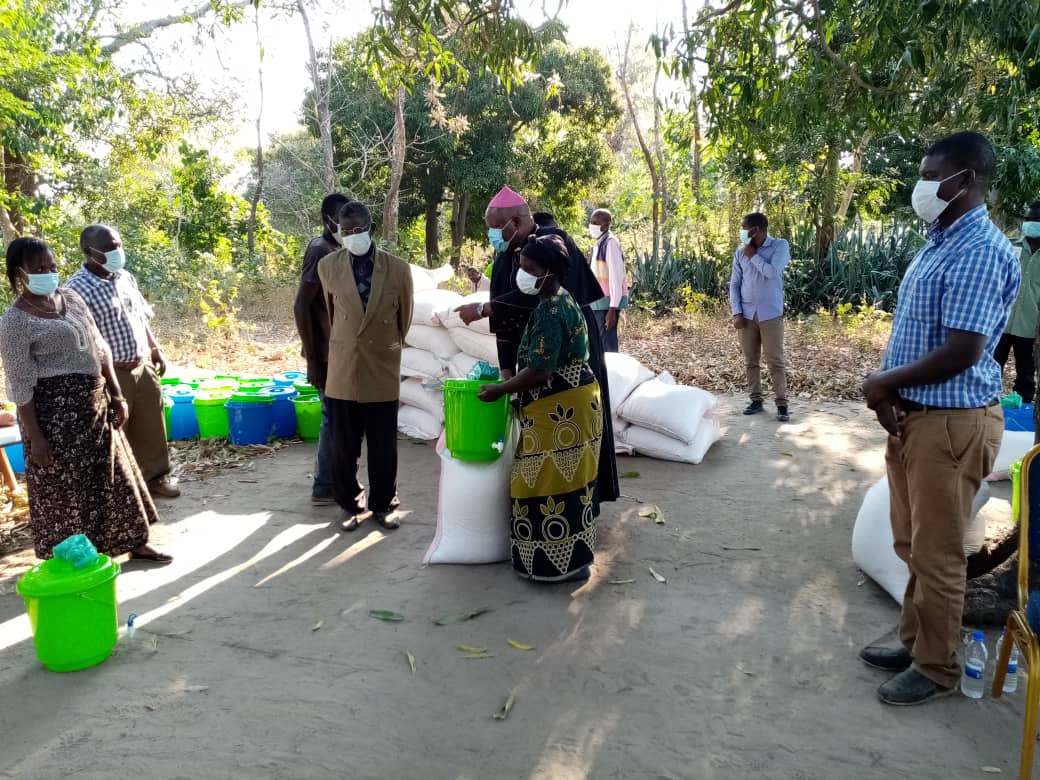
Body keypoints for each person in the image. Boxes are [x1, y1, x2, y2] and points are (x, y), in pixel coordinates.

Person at [860, 131, 1019, 706]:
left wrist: (884, 383)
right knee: (911, 544)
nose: (922, 185)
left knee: (938, 552)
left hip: (951, 424)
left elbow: (964, 349)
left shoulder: (979, 249)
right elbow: (914, 332)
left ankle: (938, 667)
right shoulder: (940, 241)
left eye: (932, 175)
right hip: (917, 418)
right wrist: (888, 393)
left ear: (966, 180)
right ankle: (916, 642)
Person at [0, 237, 171, 564]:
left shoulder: (71, 298)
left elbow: (99, 345)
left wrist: (115, 394)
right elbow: (20, 382)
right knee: (69, 491)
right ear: (19, 274)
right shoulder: (15, 321)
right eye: (38, 269)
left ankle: (136, 542)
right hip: (53, 418)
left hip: (94, 404)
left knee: (115, 475)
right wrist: (36, 438)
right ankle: (82, 559)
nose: (47, 274)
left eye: (51, 267)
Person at [455, 187, 620, 511]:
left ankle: (583, 506)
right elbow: (508, 321)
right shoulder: (508, 255)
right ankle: (552, 509)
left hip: (564, 364)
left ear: (515, 221)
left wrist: (487, 309)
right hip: (532, 363)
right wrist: (506, 371)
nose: (492, 236)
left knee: (573, 444)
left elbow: (528, 301)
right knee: (543, 447)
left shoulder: (553, 245)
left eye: (495, 227)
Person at [477, 235, 602, 582]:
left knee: (543, 482)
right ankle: (572, 560)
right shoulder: (561, 299)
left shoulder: (550, 311)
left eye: (530, 269)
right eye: (521, 267)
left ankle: (555, 565)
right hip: (572, 404)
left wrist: (501, 390)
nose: (522, 274)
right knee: (569, 479)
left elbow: (540, 371)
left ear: (551, 272)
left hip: (560, 408)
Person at [317, 201, 413, 532]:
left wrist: (385, 346)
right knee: (343, 446)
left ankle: (384, 504)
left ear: (370, 228)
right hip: (343, 367)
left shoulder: (398, 269)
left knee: (383, 445)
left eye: (359, 230)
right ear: (338, 232)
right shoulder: (327, 266)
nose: (353, 236)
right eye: (347, 232)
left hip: (381, 365)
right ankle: (349, 505)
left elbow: (405, 319)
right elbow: (332, 314)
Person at [65, 224, 180, 498]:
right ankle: (120, 492)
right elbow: (82, 341)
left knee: (152, 425)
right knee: (115, 431)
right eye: (109, 248)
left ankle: (156, 478)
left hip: (142, 364)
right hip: (112, 373)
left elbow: (140, 316)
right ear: (89, 251)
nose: (117, 251)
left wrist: (154, 348)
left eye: (118, 245)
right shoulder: (75, 289)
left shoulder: (125, 276)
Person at [294, 192, 350, 506]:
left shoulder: (339, 249)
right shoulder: (320, 250)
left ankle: (331, 481)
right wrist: (312, 359)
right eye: (341, 220)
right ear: (328, 220)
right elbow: (302, 305)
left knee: (340, 418)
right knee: (332, 417)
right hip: (326, 355)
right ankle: (324, 485)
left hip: (341, 351)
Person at [729, 212, 792, 422]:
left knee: (775, 360)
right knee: (750, 360)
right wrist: (736, 311)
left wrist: (753, 256)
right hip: (747, 315)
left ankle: (781, 403)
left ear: (755, 230)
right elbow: (735, 284)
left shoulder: (779, 246)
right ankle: (755, 399)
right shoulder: (740, 253)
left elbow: (772, 272)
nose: (742, 232)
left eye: (744, 228)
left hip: (771, 313)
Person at [994, 200, 1040, 403]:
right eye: (1028, 219)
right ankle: (986, 404)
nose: (1030, 223)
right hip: (1000, 321)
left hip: (1030, 325)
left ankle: (1024, 409)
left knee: (1026, 372)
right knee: (991, 365)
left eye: (1036, 220)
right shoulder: (1009, 246)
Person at [587, 208, 628, 352]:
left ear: (605, 225)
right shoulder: (599, 243)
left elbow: (615, 278)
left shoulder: (610, 243)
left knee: (607, 344)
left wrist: (612, 309)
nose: (591, 225)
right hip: (598, 302)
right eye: (591, 222)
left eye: (595, 222)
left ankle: (612, 373)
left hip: (607, 303)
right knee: (600, 343)